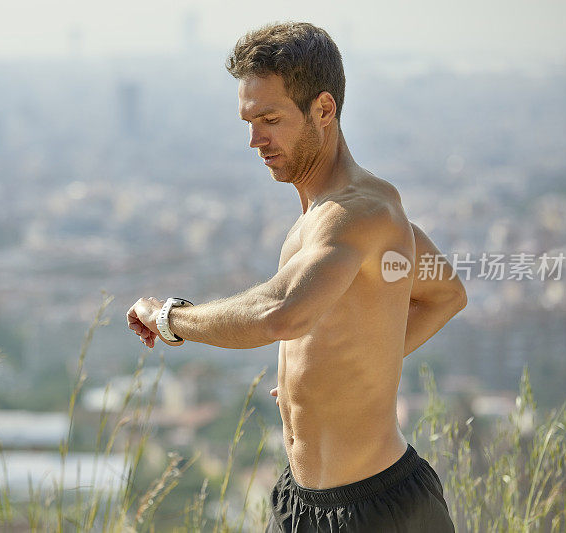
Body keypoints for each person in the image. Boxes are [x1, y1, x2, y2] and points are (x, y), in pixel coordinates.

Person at [126, 21, 465, 532]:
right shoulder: (330, 218)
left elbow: (279, 313)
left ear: (323, 110)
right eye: (248, 120)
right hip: (299, 504)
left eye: (270, 118)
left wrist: (167, 316)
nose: (253, 139)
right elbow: (447, 293)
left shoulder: (361, 213)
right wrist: (347, 375)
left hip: (380, 509)